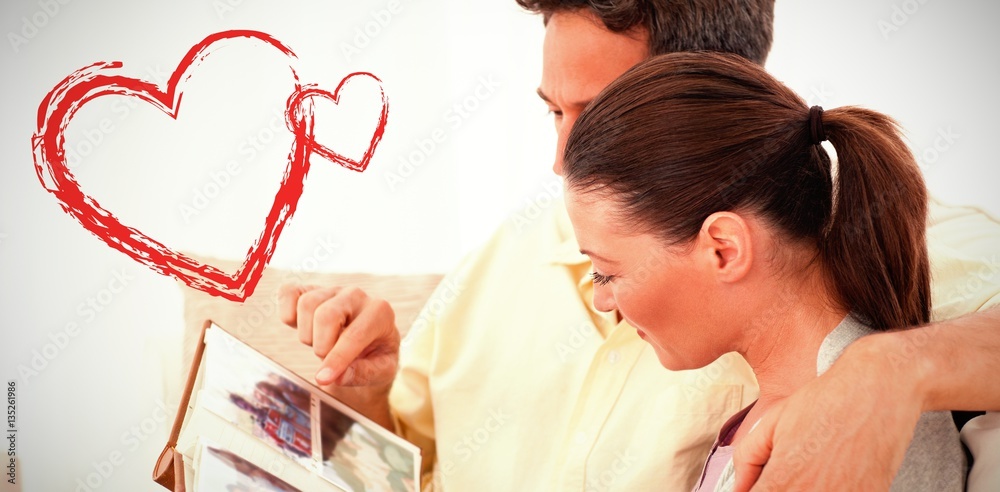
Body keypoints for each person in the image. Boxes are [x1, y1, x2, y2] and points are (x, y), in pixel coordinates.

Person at [277, 1, 1000, 490]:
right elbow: (400, 466)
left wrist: (889, 368)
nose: (562, 159)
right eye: (555, 113)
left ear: (704, 92)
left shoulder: (868, 239)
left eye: (601, 118)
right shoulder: (509, 254)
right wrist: (367, 392)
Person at [561, 50, 966, 491]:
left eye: (606, 273)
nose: (601, 301)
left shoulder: (846, 439)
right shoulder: (785, 410)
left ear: (724, 249)